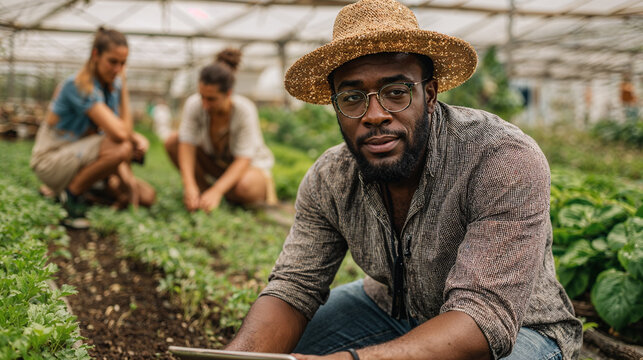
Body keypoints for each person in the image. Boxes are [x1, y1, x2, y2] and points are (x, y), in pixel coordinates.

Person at [225, 0, 583, 359]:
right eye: (352, 98)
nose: (375, 115)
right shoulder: (330, 178)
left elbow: (484, 314)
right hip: (389, 309)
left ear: (429, 94)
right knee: (271, 351)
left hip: (517, 328)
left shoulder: (500, 159)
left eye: (396, 92)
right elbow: (294, 286)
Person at [30, 26, 155, 223]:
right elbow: (120, 135)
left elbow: (117, 132)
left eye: (123, 64)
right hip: (51, 161)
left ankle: (77, 192)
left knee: (147, 196)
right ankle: (70, 195)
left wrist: (129, 181)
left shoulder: (108, 87)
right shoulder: (79, 85)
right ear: (95, 55)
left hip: (78, 157)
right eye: (113, 62)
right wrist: (125, 90)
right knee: (122, 146)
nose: (118, 70)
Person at [165, 48, 277, 212]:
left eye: (211, 99)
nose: (205, 104)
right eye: (202, 96)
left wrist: (217, 190)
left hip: (249, 168)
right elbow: (186, 143)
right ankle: (202, 194)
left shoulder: (244, 110)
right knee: (173, 142)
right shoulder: (194, 104)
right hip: (218, 166)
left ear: (228, 93)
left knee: (245, 188)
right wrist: (189, 186)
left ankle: (220, 194)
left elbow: (243, 159)